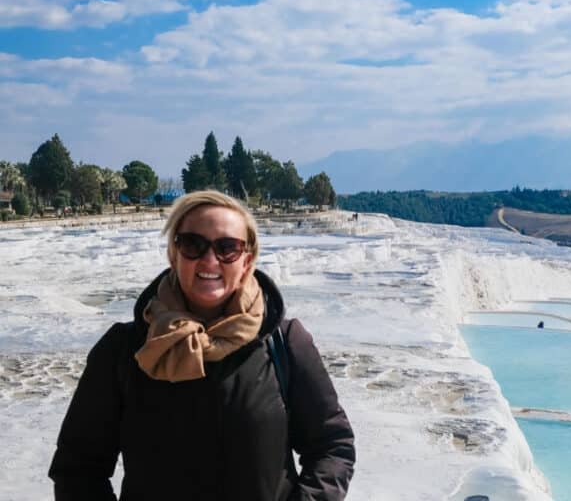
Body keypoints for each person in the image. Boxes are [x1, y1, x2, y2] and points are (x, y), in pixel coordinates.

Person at [49, 191, 355, 501]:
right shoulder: (123, 349)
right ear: (174, 254)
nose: (209, 260)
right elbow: (79, 467)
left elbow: (332, 446)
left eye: (228, 248)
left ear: (247, 261)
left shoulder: (285, 343)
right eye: (193, 245)